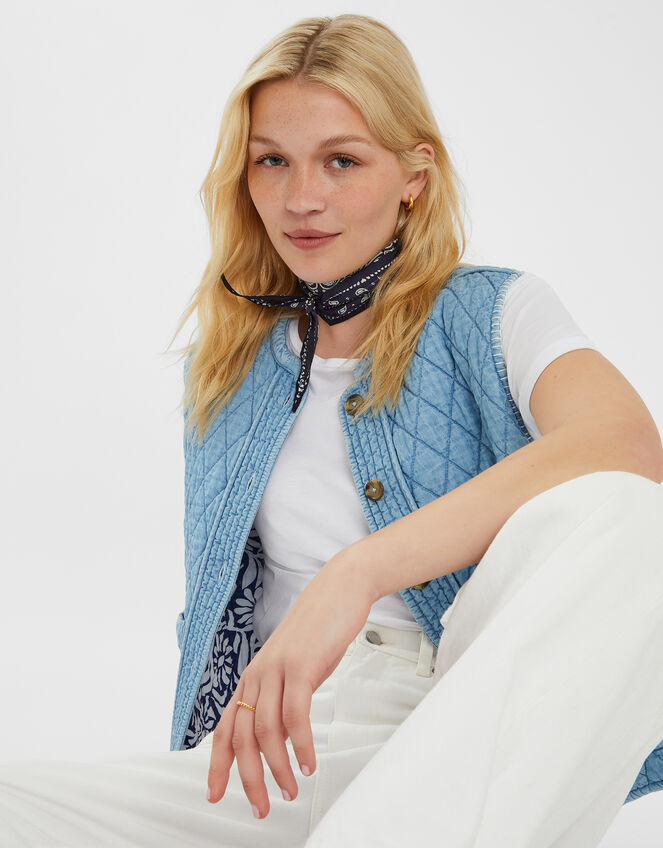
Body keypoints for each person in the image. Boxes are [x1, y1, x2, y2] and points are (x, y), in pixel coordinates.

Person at [2, 12, 663, 848]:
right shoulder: (227, 366)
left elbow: (627, 449)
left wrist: (354, 575)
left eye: (341, 160)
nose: (300, 198)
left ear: (414, 174)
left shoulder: (496, 311)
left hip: (464, 715)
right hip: (280, 759)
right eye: (271, 160)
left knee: (630, 514)